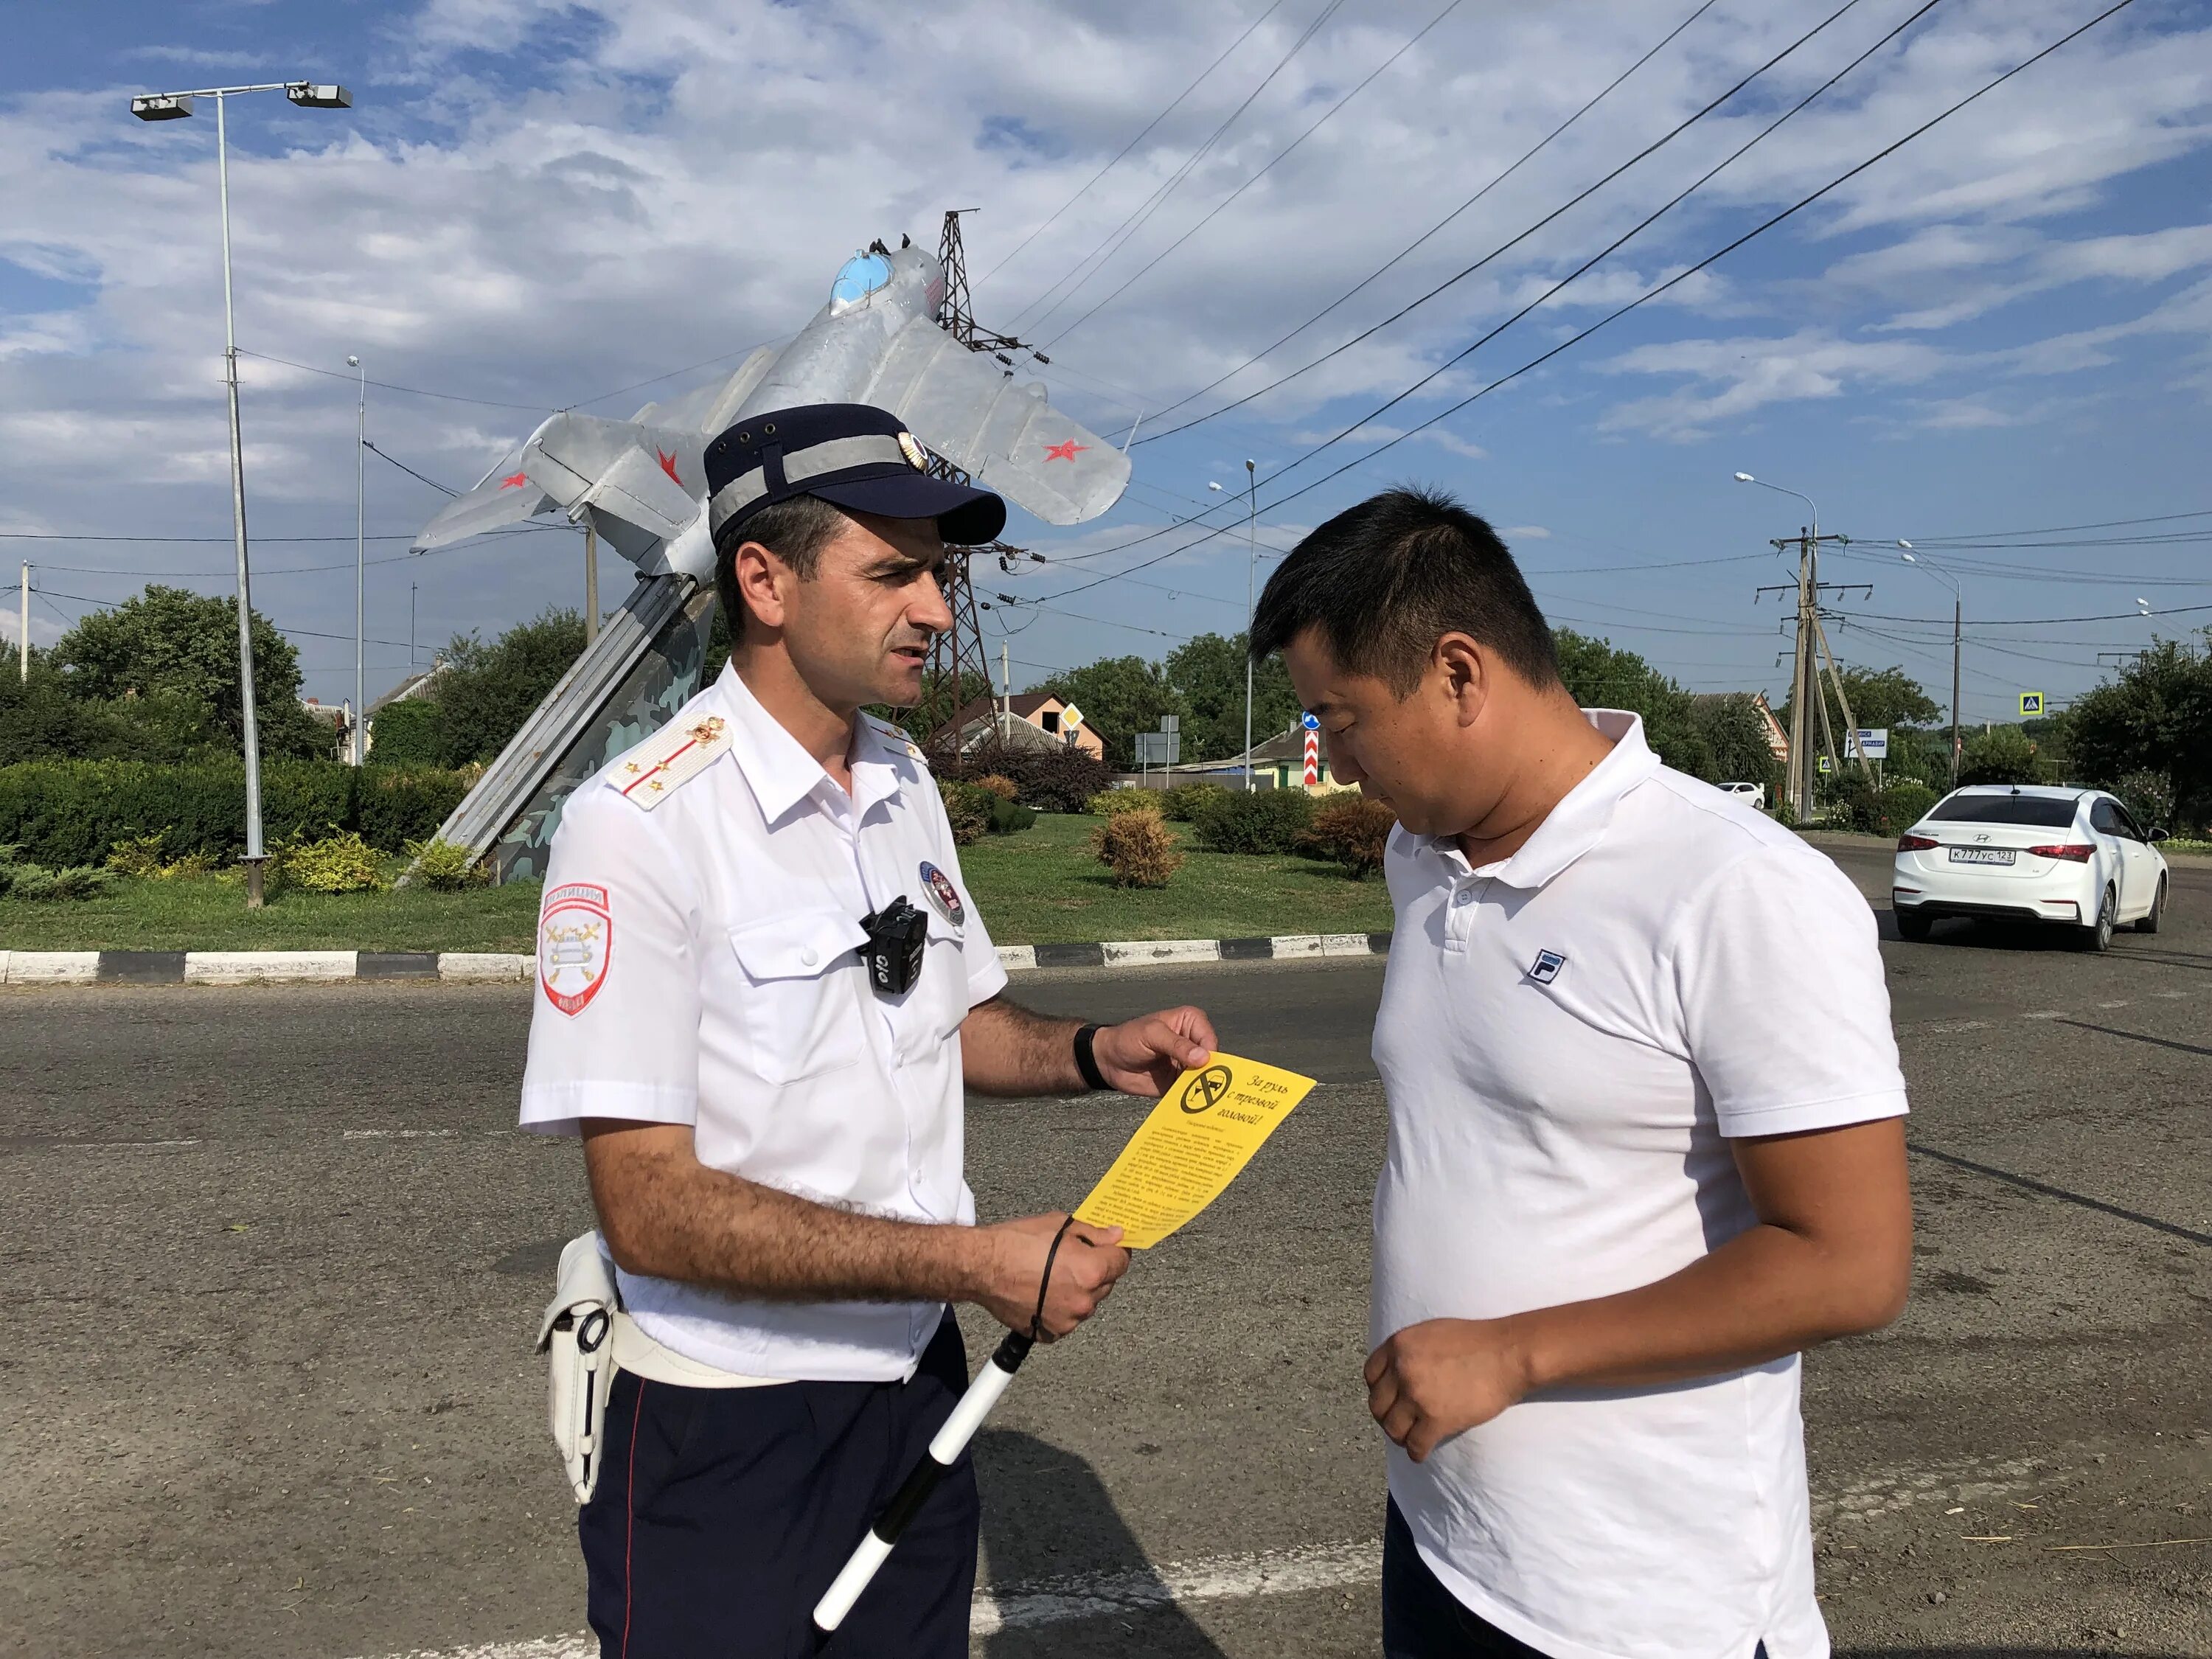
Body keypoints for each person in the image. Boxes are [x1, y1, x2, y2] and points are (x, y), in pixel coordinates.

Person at [519, 402, 1217, 1658]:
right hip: (729, 1431)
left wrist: (1088, 1052)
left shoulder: (902, 780)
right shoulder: (638, 826)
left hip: (916, 1397)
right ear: (765, 580)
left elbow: (949, 1022)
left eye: (936, 572)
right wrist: (968, 1262)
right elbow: (650, 1210)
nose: (939, 608)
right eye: (894, 570)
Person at [1249, 487, 1913, 1659]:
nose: (1337, 763)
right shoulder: (1425, 857)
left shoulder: (1736, 887)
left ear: (1460, 672)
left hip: (1643, 1605)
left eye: (1341, 721)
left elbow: (1850, 1264)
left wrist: (1511, 1351)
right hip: (1448, 1534)